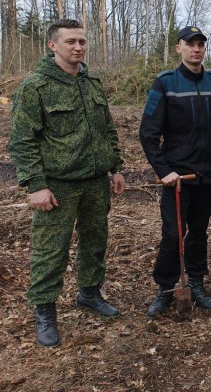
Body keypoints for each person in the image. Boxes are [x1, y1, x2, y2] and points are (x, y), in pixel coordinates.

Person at [9, 19, 125, 347]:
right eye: (71, 41)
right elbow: (21, 140)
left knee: (94, 242)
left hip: (95, 182)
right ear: (53, 45)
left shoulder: (92, 84)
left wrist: (115, 167)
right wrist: (35, 185)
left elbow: (107, 130)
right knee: (50, 251)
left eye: (82, 42)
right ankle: (45, 311)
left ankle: (89, 293)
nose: (78, 47)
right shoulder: (36, 87)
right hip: (57, 185)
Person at [140, 25, 211, 318]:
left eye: (201, 44)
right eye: (190, 44)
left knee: (199, 232)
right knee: (172, 234)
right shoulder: (164, 83)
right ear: (178, 48)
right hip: (177, 178)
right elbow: (148, 134)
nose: (196, 48)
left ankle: (197, 283)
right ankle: (165, 288)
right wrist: (164, 170)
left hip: (206, 176)